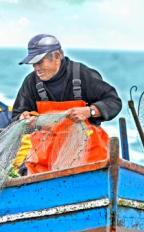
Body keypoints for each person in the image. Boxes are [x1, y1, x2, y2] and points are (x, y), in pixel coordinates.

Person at [13, 34, 122, 174]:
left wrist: (90, 111)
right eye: (34, 64)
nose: (36, 68)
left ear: (57, 56)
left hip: (88, 155)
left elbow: (113, 101)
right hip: (46, 160)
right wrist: (24, 119)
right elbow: (16, 116)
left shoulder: (82, 74)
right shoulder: (31, 82)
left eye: (40, 62)